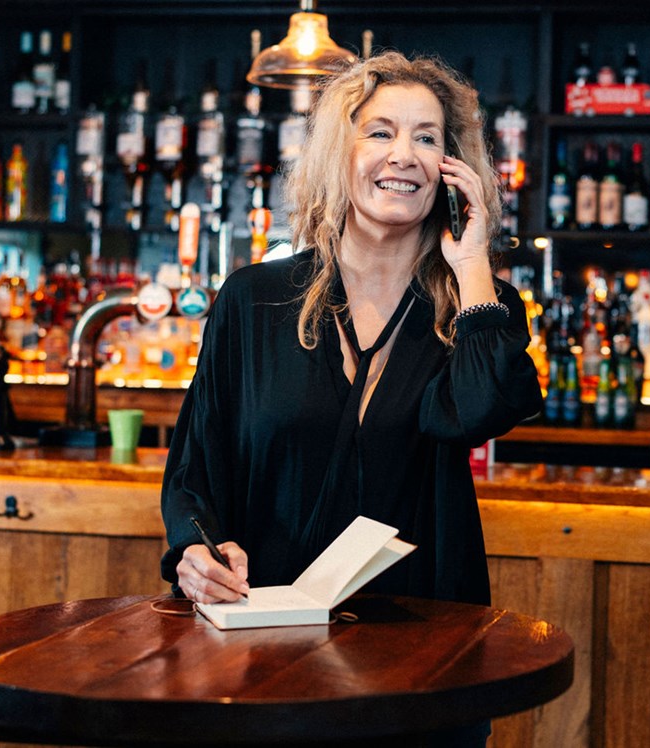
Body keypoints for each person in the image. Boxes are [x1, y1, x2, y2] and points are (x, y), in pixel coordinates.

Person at [160, 52, 540, 611]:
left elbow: (481, 411)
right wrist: (195, 550)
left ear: (451, 166)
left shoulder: (479, 303)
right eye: (380, 132)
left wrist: (473, 260)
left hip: (422, 628)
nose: (403, 155)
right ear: (341, 154)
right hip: (262, 622)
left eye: (427, 139)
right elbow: (197, 461)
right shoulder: (254, 298)